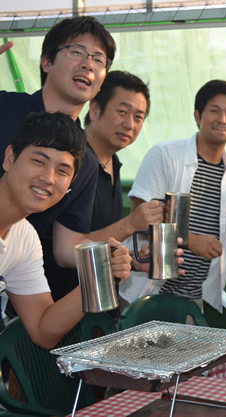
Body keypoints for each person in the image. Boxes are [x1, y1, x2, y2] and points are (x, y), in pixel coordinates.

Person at [120, 80, 226, 314]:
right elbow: (139, 220)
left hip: (194, 299)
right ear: (197, 116)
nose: (223, 119)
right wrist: (190, 240)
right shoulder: (165, 154)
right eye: (214, 111)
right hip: (148, 293)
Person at [0, 16, 120, 302]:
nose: (88, 64)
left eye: (99, 60)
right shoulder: (4, 108)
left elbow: (67, 248)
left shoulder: (86, 162)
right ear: (46, 62)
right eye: (76, 51)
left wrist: (109, 260)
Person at [0, 112, 131, 349]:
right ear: (10, 158)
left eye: (62, 171)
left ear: (71, 183)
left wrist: (100, 276)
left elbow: (42, 329)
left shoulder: (25, 238)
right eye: (39, 161)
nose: (49, 178)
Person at [45, 71, 164, 313]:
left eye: (138, 117)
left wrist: (130, 258)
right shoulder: (72, 161)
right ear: (95, 109)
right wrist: (130, 224)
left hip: (98, 307)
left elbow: (95, 236)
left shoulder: (113, 163)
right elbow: (66, 250)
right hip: (58, 306)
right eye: (122, 112)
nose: (130, 124)